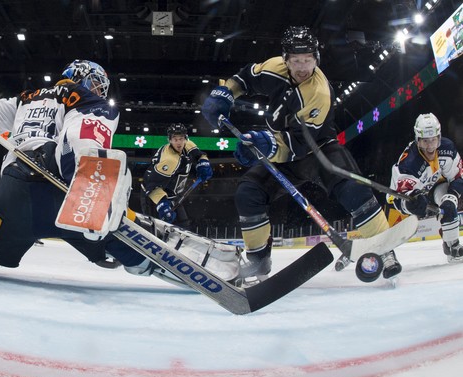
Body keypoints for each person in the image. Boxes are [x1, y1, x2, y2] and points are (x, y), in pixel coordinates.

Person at [0, 59, 237, 284]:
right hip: (64, 192)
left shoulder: (26, 99)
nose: (101, 90)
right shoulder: (87, 100)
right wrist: (87, 169)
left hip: (10, 197)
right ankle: (200, 264)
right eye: (97, 83)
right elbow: (82, 131)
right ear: (81, 76)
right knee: (134, 236)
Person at [201, 26, 401, 279]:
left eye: (308, 60)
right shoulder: (274, 67)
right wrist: (226, 94)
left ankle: (385, 251)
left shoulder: (318, 92)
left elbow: (299, 145)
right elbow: (245, 78)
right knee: (249, 192)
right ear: (285, 59)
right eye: (296, 61)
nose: (303, 67)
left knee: (352, 189)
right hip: (280, 147)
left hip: (317, 149)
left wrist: (265, 143)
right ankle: (258, 261)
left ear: (316, 58)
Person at [388, 113, 463, 263]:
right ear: (417, 141)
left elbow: (457, 177)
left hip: (435, 188)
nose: (430, 146)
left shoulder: (447, 149)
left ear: (439, 138)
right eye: (425, 141)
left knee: (448, 201)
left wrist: (452, 197)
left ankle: (452, 245)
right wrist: (412, 203)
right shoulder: (409, 163)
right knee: (388, 231)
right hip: (401, 197)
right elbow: (398, 199)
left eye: (433, 140)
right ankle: (384, 255)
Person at [141, 123, 213, 228]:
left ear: (185, 138)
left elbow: (199, 155)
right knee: (156, 228)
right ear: (169, 140)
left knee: (184, 226)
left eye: (181, 138)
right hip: (152, 196)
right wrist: (162, 205)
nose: (179, 142)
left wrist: (203, 164)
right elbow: (150, 184)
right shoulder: (169, 160)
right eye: (175, 139)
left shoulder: (187, 144)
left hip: (173, 194)